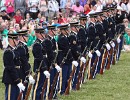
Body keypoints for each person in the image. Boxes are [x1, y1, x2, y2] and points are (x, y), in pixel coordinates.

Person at [2, 33, 25, 100]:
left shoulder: (15, 50)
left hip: (17, 76)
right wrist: (17, 81)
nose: (18, 41)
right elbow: (10, 68)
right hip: (10, 79)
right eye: (16, 39)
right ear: (11, 40)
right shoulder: (8, 52)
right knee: (11, 97)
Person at [32, 27, 50, 100]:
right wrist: (44, 68)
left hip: (44, 65)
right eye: (42, 33)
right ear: (37, 34)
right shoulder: (37, 44)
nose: (43, 34)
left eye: (43, 33)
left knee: (42, 85)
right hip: (39, 67)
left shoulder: (42, 42)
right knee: (38, 86)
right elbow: (39, 58)